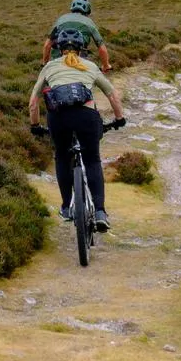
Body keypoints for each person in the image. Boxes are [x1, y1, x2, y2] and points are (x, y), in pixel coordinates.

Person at [29, 26, 126, 231]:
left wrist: (35, 125)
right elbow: (112, 95)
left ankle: (66, 207)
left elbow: (34, 101)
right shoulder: (89, 66)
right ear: (82, 48)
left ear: (58, 48)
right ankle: (99, 211)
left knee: (62, 158)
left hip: (58, 118)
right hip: (86, 117)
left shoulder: (49, 67)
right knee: (92, 160)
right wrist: (119, 119)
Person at [39, 0, 111, 72]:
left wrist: (45, 64)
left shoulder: (61, 19)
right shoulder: (89, 22)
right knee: (87, 78)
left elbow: (47, 45)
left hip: (58, 58)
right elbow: (101, 48)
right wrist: (106, 65)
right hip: (79, 58)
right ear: (87, 11)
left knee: (49, 79)